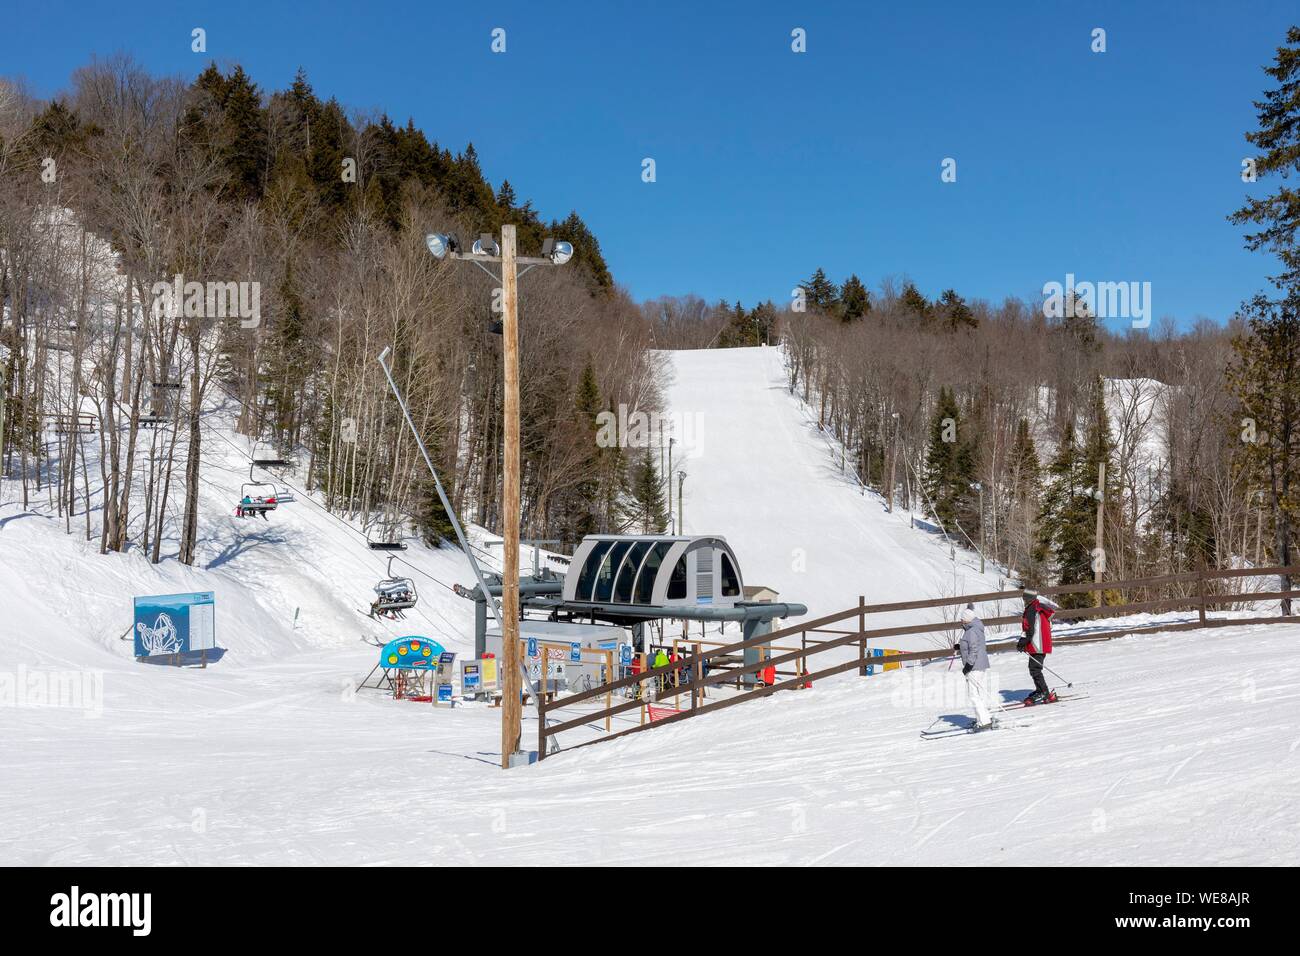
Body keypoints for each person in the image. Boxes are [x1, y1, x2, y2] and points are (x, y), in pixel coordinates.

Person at [957, 606, 993, 731]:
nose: (961, 622)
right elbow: (974, 644)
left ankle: (983, 721)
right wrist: (960, 647)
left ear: (967, 620)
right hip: (981, 665)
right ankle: (985, 717)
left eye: (962, 620)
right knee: (980, 693)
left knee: (973, 694)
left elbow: (974, 650)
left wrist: (968, 665)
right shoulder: (977, 628)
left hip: (974, 666)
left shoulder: (971, 631)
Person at [1018, 589, 1057, 705]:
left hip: (1037, 643)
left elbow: (1029, 628)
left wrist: (1022, 642)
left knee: (1035, 669)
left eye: (1024, 598)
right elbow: (1048, 626)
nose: (1023, 600)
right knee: (1034, 667)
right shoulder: (1039, 607)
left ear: (1028, 599)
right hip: (1041, 643)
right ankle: (1040, 689)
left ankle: (1044, 692)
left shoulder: (1031, 610)